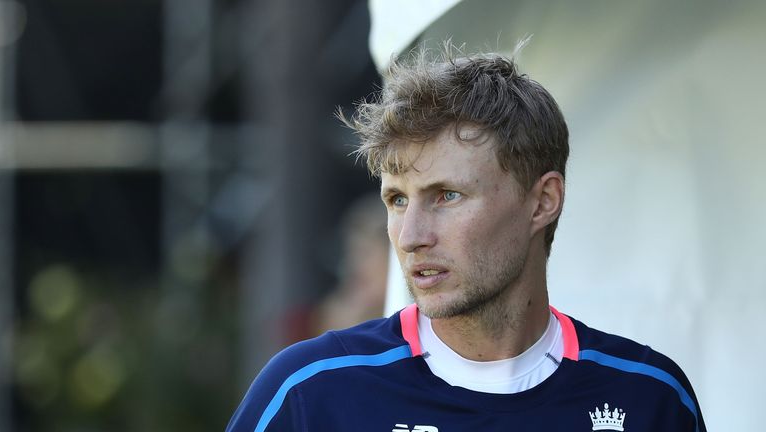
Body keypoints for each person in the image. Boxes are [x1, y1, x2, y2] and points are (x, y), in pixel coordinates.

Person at [226, 44, 706, 432]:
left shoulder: (650, 398)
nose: (411, 236)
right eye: (396, 200)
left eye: (448, 195)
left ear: (542, 202)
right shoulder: (311, 392)